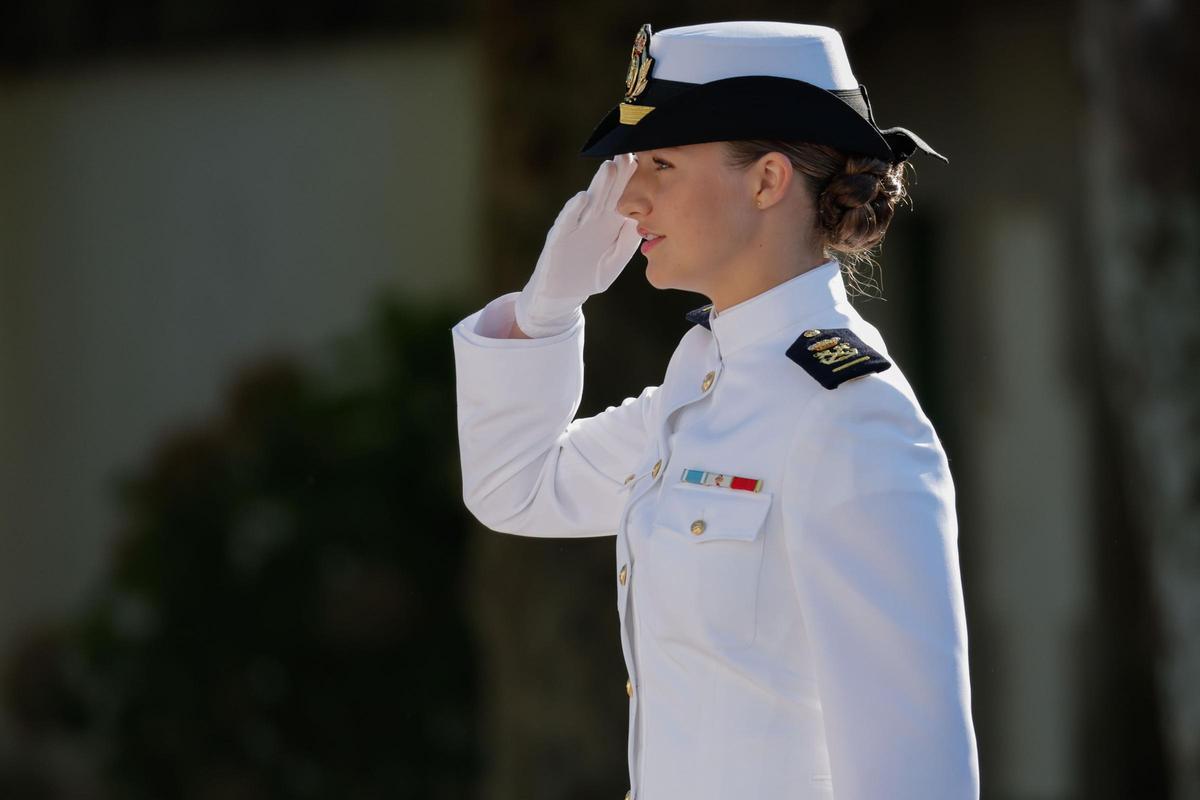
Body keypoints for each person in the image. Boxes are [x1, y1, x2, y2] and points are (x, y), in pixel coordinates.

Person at [450, 20, 978, 800]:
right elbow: (517, 488)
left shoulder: (848, 415)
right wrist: (546, 310)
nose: (629, 198)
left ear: (766, 182)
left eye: (660, 163)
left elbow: (914, 767)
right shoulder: (705, 383)